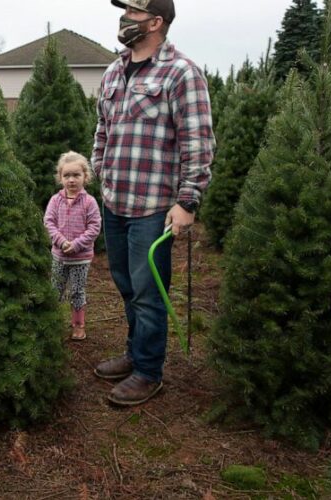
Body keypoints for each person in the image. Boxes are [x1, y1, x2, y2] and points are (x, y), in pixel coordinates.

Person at [91, 0, 214, 406]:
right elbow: (102, 132)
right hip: (115, 202)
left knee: (148, 292)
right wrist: (101, 172)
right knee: (126, 286)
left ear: (156, 22)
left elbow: (197, 143)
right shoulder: (113, 71)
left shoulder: (181, 73)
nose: (124, 19)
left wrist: (188, 201)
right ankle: (134, 350)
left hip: (154, 207)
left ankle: (147, 371)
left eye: (133, 13)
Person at [44, 152, 102, 341]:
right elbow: (49, 222)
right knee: (56, 289)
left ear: (85, 177)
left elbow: (94, 227)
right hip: (59, 257)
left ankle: (78, 325)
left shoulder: (89, 202)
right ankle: (52, 322)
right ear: (60, 177)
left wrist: (76, 245)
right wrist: (61, 241)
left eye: (76, 175)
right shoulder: (55, 200)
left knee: (77, 291)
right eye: (66, 175)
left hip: (80, 258)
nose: (71, 180)